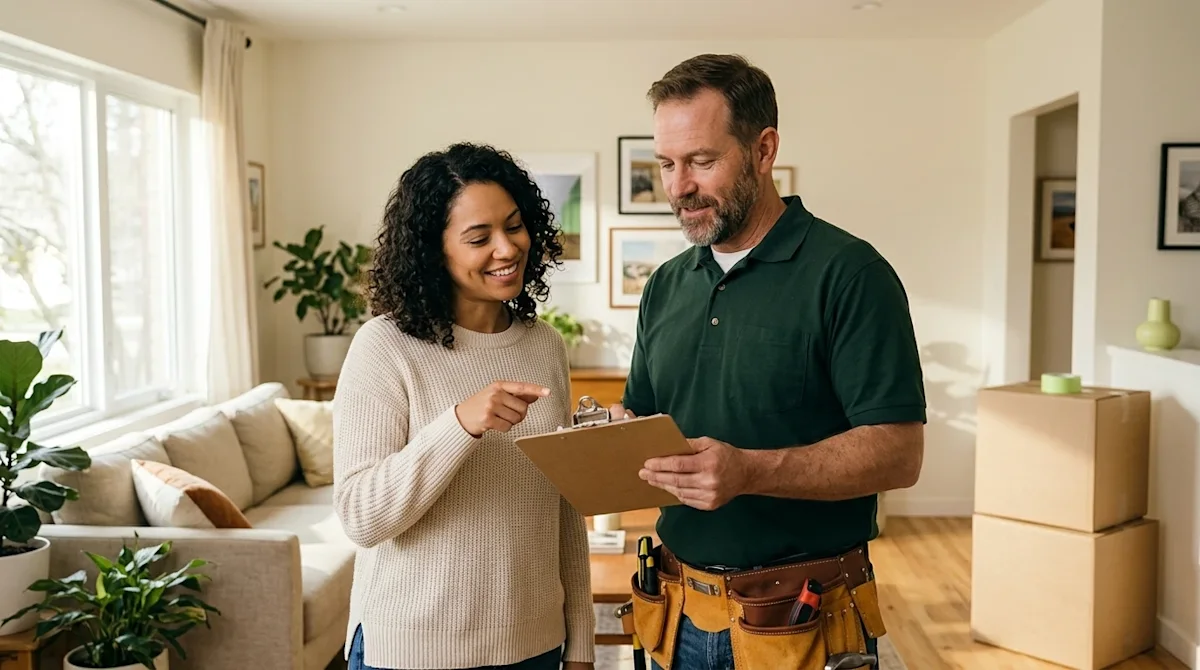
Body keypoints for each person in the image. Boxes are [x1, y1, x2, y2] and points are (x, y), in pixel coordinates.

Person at [611, 54, 926, 670]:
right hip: (677, 609)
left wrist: (749, 471)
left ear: (763, 149)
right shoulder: (666, 285)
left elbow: (899, 452)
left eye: (702, 161)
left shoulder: (851, 275)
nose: (678, 186)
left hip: (802, 620)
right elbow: (647, 423)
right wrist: (615, 435)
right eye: (667, 164)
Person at [332, 142, 596, 670]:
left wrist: (582, 645)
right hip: (411, 652)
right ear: (434, 250)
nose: (507, 248)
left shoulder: (543, 345)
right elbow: (361, 516)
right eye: (479, 238)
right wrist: (458, 425)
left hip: (535, 647)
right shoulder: (384, 345)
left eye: (515, 225)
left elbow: (563, 510)